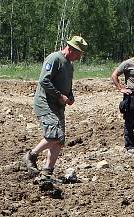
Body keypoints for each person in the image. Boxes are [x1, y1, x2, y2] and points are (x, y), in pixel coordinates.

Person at [23, 36, 88, 181]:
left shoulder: (69, 65)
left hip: (58, 105)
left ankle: (47, 172)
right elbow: (44, 80)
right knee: (54, 135)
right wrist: (59, 95)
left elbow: (68, 85)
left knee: (59, 140)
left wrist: (70, 96)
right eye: (78, 54)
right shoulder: (54, 58)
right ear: (71, 49)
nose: (79, 57)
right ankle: (31, 156)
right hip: (45, 103)